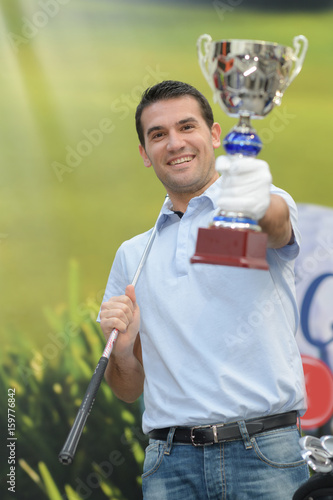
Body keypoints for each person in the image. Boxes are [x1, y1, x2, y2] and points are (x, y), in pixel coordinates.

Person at [98, 80, 309, 499]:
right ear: (145, 154)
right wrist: (120, 352)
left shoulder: (257, 211)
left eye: (186, 127)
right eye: (158, 135)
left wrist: (256, 200)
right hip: (169, 465)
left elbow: (278, 225)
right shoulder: (133, 255)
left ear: (214, 135)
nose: (174, 143)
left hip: (264, 455)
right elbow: (127, 388)